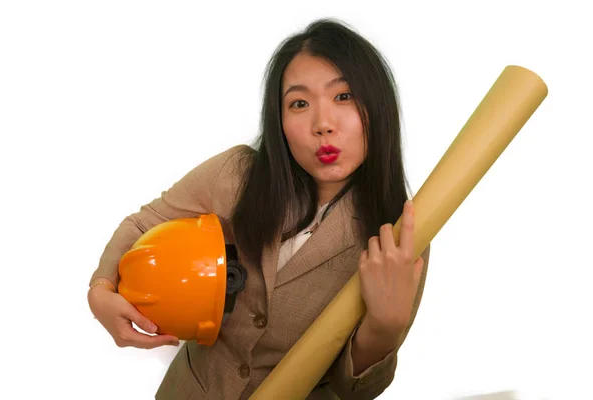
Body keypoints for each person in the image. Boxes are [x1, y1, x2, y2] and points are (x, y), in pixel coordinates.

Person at [87, 18, 431, 400]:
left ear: (378, 105)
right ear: (279, 120)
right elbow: (143, 225)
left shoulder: (400, 229)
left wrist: (385, 328)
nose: (323, 124)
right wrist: (100, 290)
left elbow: (357, 391)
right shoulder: (238, 174)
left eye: (344, 96)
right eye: (299, 103)